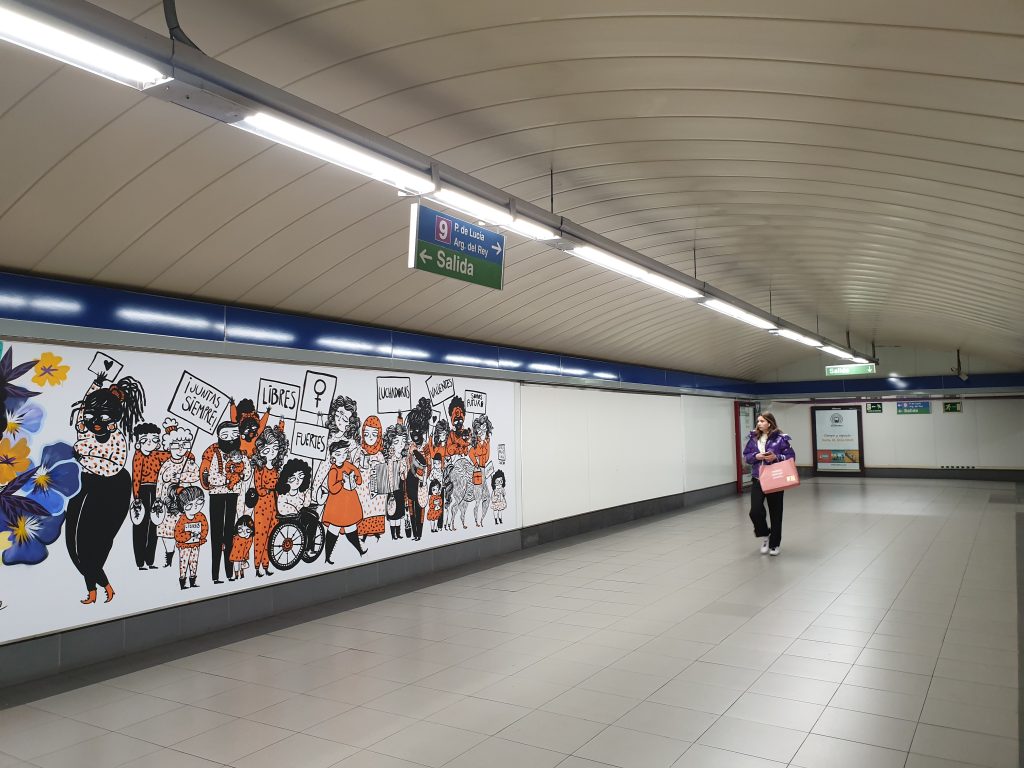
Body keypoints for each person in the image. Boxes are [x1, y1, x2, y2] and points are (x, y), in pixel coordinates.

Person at [742, 412, 796, 556]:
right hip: (758, 479)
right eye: (758, 421)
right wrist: (756, 456)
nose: (758, 423)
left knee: (776, 513)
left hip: (775, 479)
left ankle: (774, 544)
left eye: (762, 421)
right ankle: (765, 534)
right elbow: (746, 456)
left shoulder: (781, 439)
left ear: (769, 423)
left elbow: (791, 457)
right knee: (755, 511)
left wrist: (776, 457)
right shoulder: (753, 439)